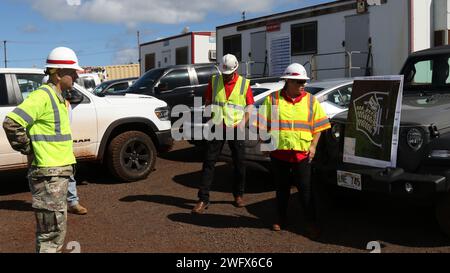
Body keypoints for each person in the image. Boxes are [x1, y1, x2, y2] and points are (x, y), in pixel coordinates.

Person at [2, 47, 82, 252]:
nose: (75, 76)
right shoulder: (43, 96)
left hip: (56, 174)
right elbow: (11, 123)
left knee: (55, 232)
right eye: (72, 72)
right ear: (57, 73)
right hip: (48, 176)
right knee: (51, 235)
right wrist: (29, 148)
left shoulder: (57, 97)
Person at [257, 63, 330, 237]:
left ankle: (311, 223)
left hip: (301, 154)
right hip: (279, 153)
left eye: (303, 81)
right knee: (281, 189)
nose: (302, 84)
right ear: (288, 81)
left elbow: (319, 126)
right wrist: (265, 144)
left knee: (306, 190)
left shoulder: (311, 100)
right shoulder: (273, 99)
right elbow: (260, 123)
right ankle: (281, 219)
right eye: (298, 81)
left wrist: (313, 146)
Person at [191, 54, 254, 214]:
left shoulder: (244, 84)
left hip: (236, 127)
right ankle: (203, 198)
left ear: (235, 69)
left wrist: (243, 123)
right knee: (209, 162)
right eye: (223, 73)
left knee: (239, 163)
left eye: (228, 74)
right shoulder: (214, 80)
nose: (225, 76)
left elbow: (250, 106)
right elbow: (208, 102)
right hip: (218, 126)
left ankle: (238, 195)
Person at [42, 75, 88, 215]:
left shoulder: (65, 103)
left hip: (63, 147)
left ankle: (73, 203)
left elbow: (68, 125)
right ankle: (52, 206)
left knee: (69, 174)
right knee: (48, 179)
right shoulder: (42, 102)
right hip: (47, 148)